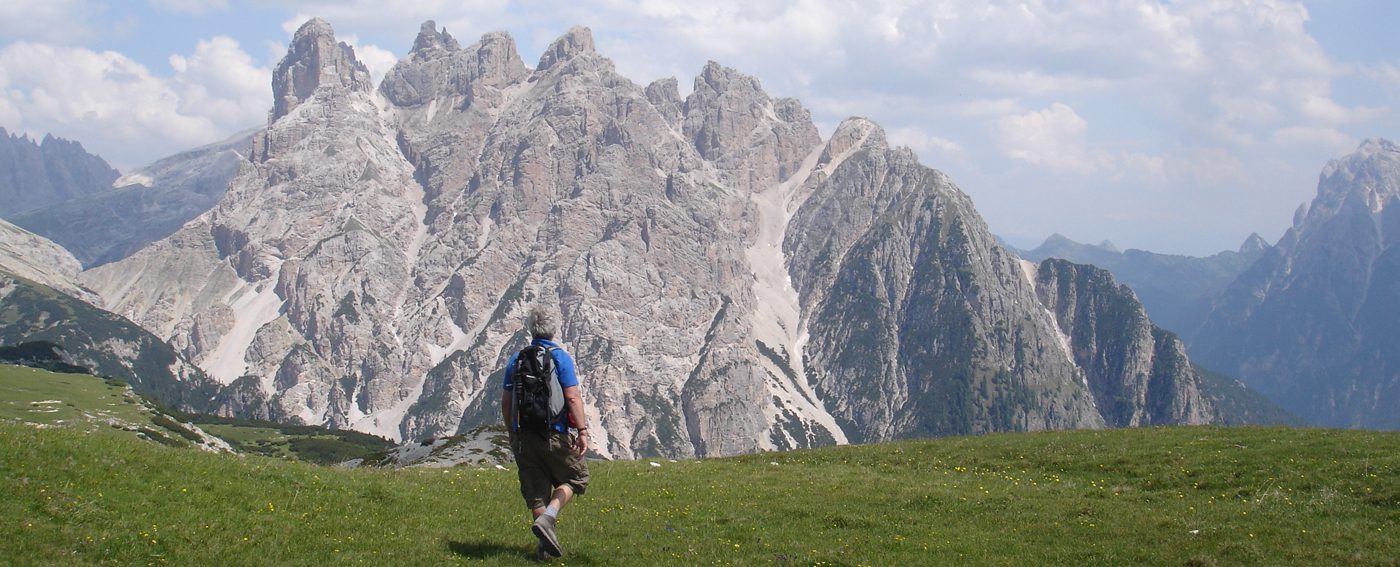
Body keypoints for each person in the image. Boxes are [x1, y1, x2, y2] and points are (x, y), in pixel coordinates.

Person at [501, 305, 590, 561]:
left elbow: (506, 401)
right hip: (554, 433)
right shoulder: (559, 357)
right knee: (577, 478)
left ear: (531, 329)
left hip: (524, 436)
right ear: (554, 330)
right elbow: (572, 396)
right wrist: (582, 430)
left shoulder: (516, 359)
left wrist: (512, 432)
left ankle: (543, 551)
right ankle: (549, 517)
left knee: (536, 491)